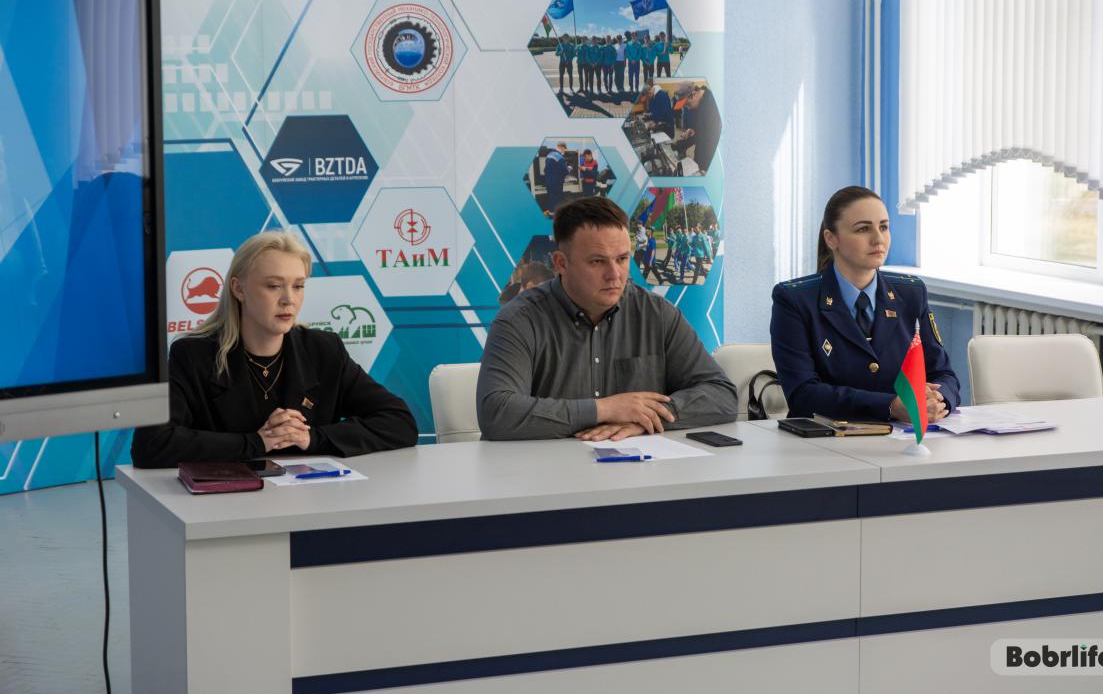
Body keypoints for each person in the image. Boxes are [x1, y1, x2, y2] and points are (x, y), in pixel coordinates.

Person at [132, 232, 417, 468]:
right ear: (238, 289)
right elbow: (151, 445)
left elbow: (399, 422)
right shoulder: (192, 355)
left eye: (298, 286)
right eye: (274, 286)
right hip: (225, 506)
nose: (289, 300)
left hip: (313, 502)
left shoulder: (323, 350)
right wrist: (257, 442)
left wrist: (310, 438)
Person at [477, 198, 736, 441]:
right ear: (561, 263)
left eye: (622, 259)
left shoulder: (657, 314)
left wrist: (646, 417)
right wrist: (604, 409)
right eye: (597, 261)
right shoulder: (519, 320)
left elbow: (721, 394)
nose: (614, 275)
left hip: (638, 468)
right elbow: (496, 412)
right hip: (544, 469)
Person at [770, 187, 960, 422]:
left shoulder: (911, 292)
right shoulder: (794, 299)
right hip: (826, 437)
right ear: (831, 238)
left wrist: (936, 400)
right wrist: (890, 406)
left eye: (884, 227)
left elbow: (943, 374)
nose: (878, 239)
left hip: (902, 436)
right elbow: (802, 394)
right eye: (863, 229)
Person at [672, 82, 722, 175]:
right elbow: (702, 130)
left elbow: (713, 140)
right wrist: (693, 130)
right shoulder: (699, 103)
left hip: (709, 160)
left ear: (694, 94)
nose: (688, 109)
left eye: (687, 105)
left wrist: (706, 169)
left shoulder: (712, 106)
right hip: (700, 154)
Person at [544, 141, 571, 215]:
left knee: (551, 198)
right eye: (564, 149)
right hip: (556, 183)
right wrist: (569, 168)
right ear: (562, 147)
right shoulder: (559, 157)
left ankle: (551, 212)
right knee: (556, 199)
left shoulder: (549, 155)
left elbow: (548, 168)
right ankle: (555, 215)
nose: (564, 151)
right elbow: (565, 171)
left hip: (549, 180)